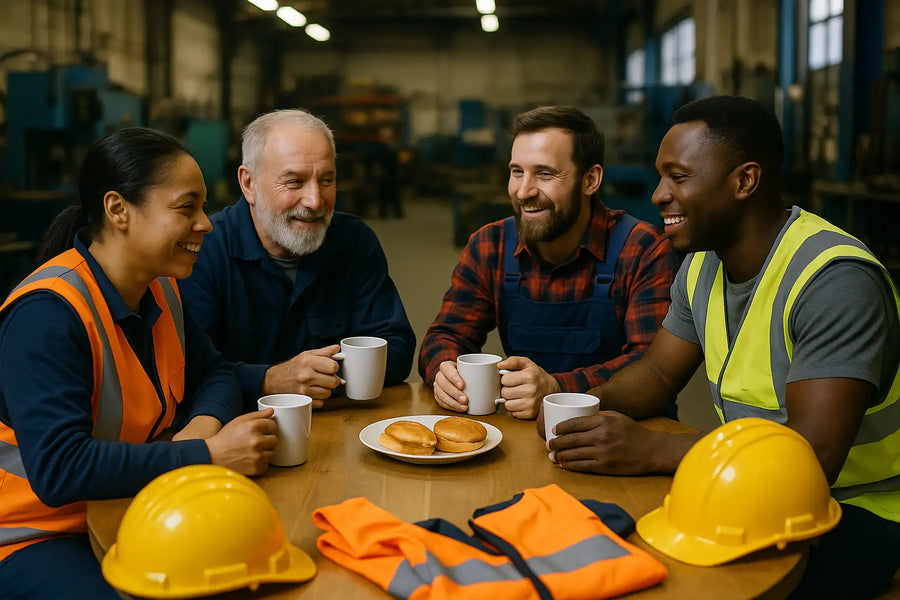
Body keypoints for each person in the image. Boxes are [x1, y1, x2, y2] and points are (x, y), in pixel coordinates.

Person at [543, 96, 900, 599]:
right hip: (751, 490)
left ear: (744, 181)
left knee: (666, 583)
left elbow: (811, 457)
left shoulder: (834, 280)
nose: (659, 195)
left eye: (678, 177)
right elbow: (659, 376)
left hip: (856, 513)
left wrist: (652, 450)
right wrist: (577, 405)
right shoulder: (703, 266)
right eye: (661, 177)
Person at [0, 128, 278, 599]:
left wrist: (200, 430)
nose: (206, 223)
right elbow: (59, 470)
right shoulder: (47, 315)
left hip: (134, 503)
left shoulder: (160, 289)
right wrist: (208, 455)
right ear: (117, 210)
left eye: (203, 207)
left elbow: (215, 372)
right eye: (185, 207)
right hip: (33, 534)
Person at [419, 106, 677, 419]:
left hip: (623, 430)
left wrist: (557, 389)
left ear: (590, 180)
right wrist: (444, 371)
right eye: (517, 172)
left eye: (545, 174)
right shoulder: (490, 245)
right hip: (529, 432)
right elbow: (445, 335)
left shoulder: (641, 249)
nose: (524, 191)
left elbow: (651, 366)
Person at [180, 110, 415, 412]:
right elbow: (190, 373)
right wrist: (270, 380)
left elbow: (396, 347)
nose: (315, 201)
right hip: (241, 431)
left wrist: (322, 377)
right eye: (294, 182)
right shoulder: (204, 253)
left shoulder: (354, 242)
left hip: (339, 427)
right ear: (248, 183)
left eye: (327, 180)